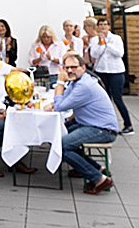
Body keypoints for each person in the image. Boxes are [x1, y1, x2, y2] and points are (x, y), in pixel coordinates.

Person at [47, 52, 118, 194]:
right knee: (61, 131)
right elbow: (63, 101)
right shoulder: (77, 82)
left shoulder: (84, 86)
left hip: (102, 129)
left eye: (74, 67)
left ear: (83, 68)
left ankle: (100, 180)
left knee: (61, 146)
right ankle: (96, 168)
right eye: (66, 68)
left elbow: (60, 106)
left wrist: (60, 82)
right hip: (90, 124)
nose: (69, 71)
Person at [89, 18, 134, 135]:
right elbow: (94, 54)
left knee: (117, 98)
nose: (103, 27)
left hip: (115, 71)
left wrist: (107, 43)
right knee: (104, 99)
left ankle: (128, 125)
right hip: (101, 71)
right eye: (100, 25)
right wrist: (100, 43)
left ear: (109, 26)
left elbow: (119, 53)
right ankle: (106, 125)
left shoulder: (116, 38)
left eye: (105, 24)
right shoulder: (95, 40)